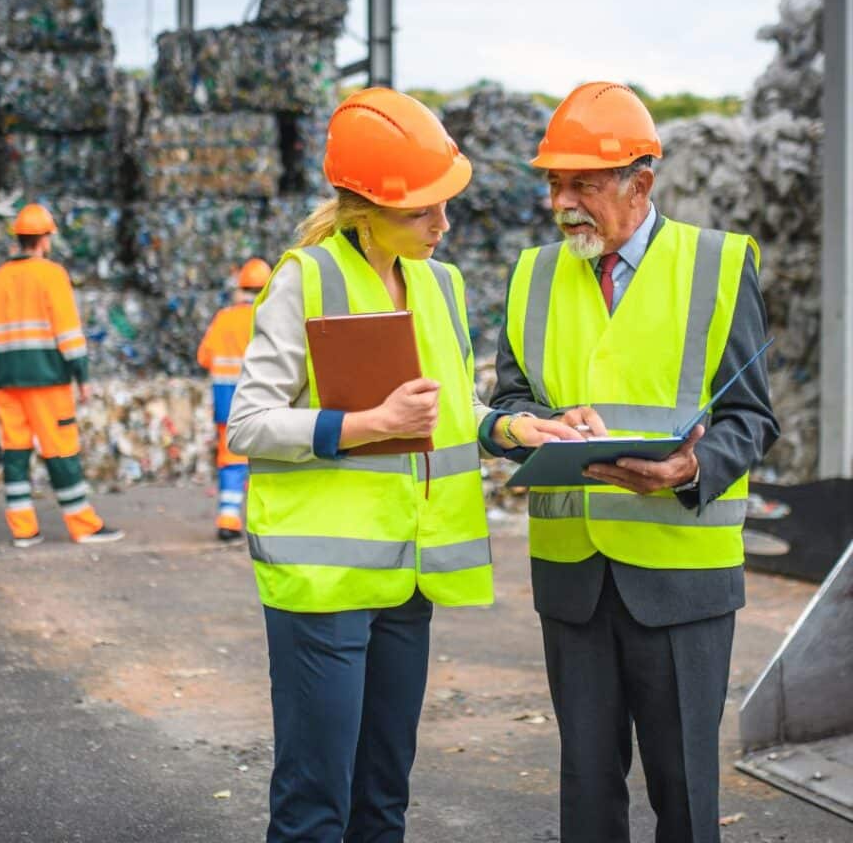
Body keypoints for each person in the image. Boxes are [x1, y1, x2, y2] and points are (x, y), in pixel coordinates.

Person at [227, 87, 573, 843]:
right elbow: (247, 423)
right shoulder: (307, 279)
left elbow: (452, 413)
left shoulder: (440, 284)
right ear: (364, 207)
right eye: (423, 210)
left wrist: (516, 426)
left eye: (446, 204)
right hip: (321, 586)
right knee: (315, 803)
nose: (443, 224)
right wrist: (365, 425)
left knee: (384, 799)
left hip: (407, 576)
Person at [486, 82, 779, 843]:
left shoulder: (716, 265)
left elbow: (751, 417)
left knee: (683, 790)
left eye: (582, 183)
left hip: (683, 577)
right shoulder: (532, 275)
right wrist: (531, 427)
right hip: (572, 575)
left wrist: (688, 470)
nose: (563, 202)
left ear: (640, 183)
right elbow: (508, 403)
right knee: (586, 788)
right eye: (554, 182)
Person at [0, 203, 124, 548]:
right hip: (47, 381)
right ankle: (82, 524)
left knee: (15, 453)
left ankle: (23, 529)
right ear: (44, 240)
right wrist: (82, 376)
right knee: (61, 450)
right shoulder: (52, 275)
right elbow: (68, 332)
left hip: (6, 383)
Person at [196, 256, 272, 541]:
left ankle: (228, 519)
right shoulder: (271, 316)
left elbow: (204, 357)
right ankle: (262, 523)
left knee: (231, 460)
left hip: (227, 401)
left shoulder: (224, 318)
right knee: (266, 462)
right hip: (264, 403)